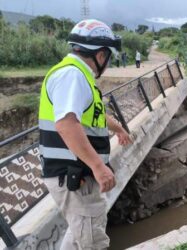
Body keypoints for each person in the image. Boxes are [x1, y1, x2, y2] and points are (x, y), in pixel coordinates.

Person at [38, 19, 133, 249]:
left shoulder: (78, 75)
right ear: (101, 55)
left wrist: (118, 128)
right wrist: (99, 167)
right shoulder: (73, 76)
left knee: (79, 234)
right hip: (75, 175)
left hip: (74, 173)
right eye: (108, 57)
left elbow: (95, 117)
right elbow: (67, 125)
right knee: (92, 240)